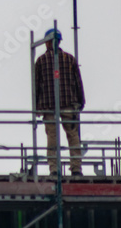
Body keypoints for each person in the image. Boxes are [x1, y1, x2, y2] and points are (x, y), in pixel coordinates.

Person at [34, 28, 85, 177]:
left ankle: (54, 169)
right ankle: (76, 168)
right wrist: (81, 102)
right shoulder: (69, 59)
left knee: (52, 137)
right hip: (68, 103)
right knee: (73, 136)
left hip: (49, 106)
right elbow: (78, 83)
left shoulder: (41, 61)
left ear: (48, 42)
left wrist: (36, 107)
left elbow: (36, 86)